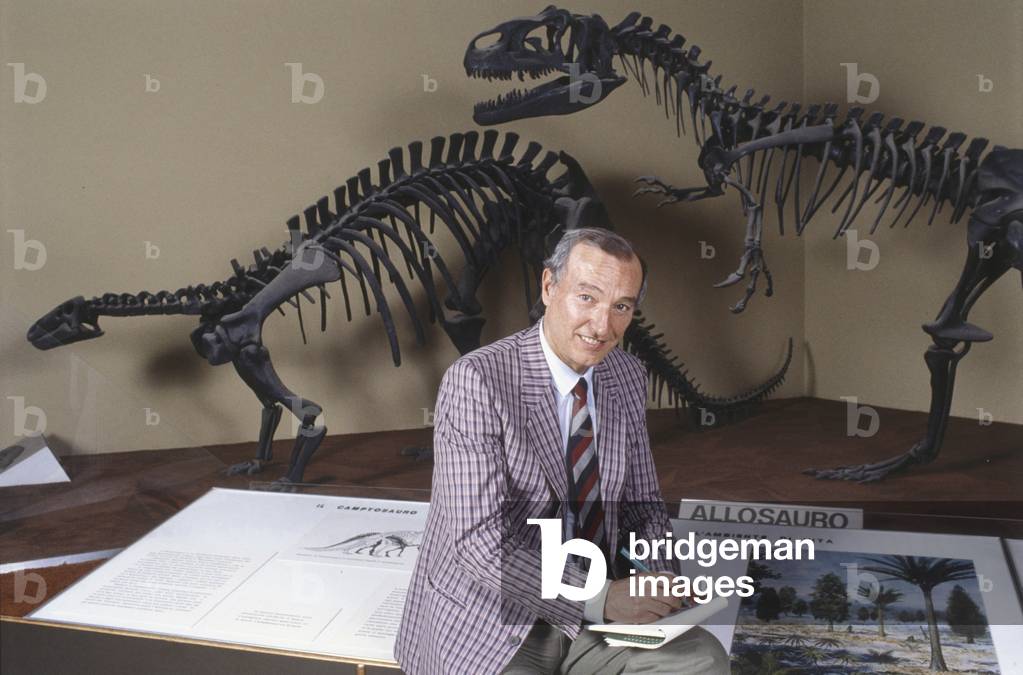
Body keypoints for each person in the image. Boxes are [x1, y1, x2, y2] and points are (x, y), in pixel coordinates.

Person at [396, 228, 729, 674]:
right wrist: (601, 597)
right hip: (497, 616)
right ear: (549, 286)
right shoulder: (477, 380)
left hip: (601, 609)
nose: (602, 327)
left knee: (702, 661)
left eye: (621, 307)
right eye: (587, 298)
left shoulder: (626, 374)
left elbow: (642, 506)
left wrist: (656, 578)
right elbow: (478, 543)